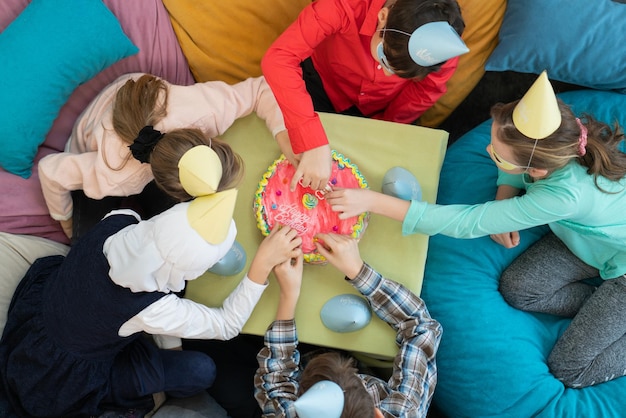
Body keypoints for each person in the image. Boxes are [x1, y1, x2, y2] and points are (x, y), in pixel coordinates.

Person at [325, 71, 626, 388]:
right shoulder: (557, 138)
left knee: (569, 370)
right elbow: (518, 169)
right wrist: (505, 201)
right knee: (519, 289)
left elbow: (465, 222)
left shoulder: (562, 196)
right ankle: (600, 306)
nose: (487, 152)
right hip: (591, 242)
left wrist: (373, 200)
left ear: (537, 169)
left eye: (496, 154)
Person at [0, 144, 303, 418]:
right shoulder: (147, 308)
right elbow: (226, 326)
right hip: (61, 376)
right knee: (200, 371)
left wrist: (170, 334)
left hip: (50, 313)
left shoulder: (123, 220)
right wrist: (260, 265)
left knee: (170, 349)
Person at [38, 73, 288, 238]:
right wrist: (67, 223)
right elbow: (49, 171)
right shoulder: (113, 174)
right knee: (90, 249)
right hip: (97, 142)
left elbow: (260, 88)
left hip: (139, 103)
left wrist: (286, 138)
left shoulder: (205, 110)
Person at [261, 0, 467, 192]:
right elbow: (279, 58)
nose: (386, 75)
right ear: (383, 16)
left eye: (401, 75)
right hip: (320, 85)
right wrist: (311, 141)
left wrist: (383, 126)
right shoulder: (346, 4)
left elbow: (425, 91)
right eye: (386, 59)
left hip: (385, 109)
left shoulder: (443, 42)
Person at [254, 232, 442, 417]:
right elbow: (421, 327)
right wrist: (359, 272)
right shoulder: (405, 411)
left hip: (298, 360)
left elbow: (276, 385)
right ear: (377, 415)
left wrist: (288, 295)